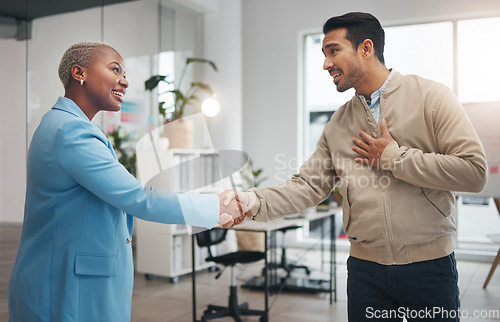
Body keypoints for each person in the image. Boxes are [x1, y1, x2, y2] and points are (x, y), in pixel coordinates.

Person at [222, 12, 487, 322]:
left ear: (366, 48)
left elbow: (474, 172)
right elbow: (307, 186)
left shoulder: (432, 97)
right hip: (365, 273)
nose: (325, 63)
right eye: (324, 53)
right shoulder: (338, 123)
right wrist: (253, 200)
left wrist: (392, 157)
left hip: (429, 268)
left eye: (333, 50)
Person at [8, 41, 248, 321]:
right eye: (115, 69)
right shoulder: (71, 132)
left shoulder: (66, 126)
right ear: (79, 73)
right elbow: (138, 197)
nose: (125, 81)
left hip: (68, 283)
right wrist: (215, 207)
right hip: (67, 290)